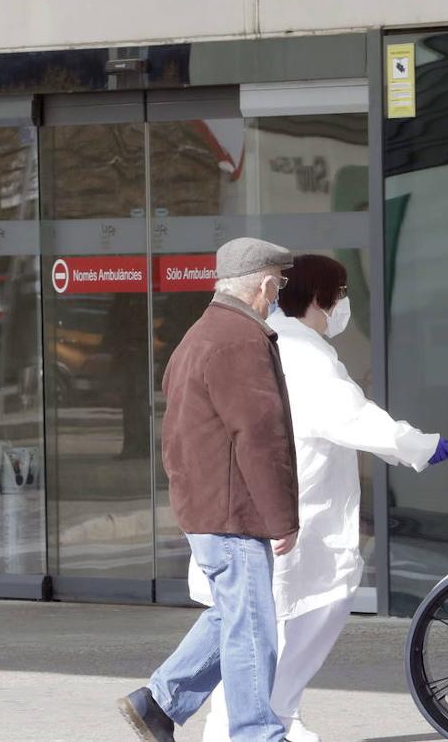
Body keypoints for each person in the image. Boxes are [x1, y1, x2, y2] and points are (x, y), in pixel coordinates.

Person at [192, 254, 448, 742]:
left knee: (267, 625)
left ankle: (270, 717)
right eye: (340, 294)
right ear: (321, 298)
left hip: (282, 511)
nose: (344, 305)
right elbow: (352, 417)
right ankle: (248, 723)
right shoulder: (302, 353)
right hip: (294, 516)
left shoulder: (281, 342)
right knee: (281, 623)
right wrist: (421, 446)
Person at [118, 237, 301, 742]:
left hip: (210, 506)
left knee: (233, 614)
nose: (279, 293)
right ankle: (256, 734)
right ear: (265, 283)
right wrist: (282, 517)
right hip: (232, 511)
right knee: (252, 628)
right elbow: (260, 436)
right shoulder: (240, 339)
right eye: (279, 284)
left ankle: (159, 703)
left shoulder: (202, 333)